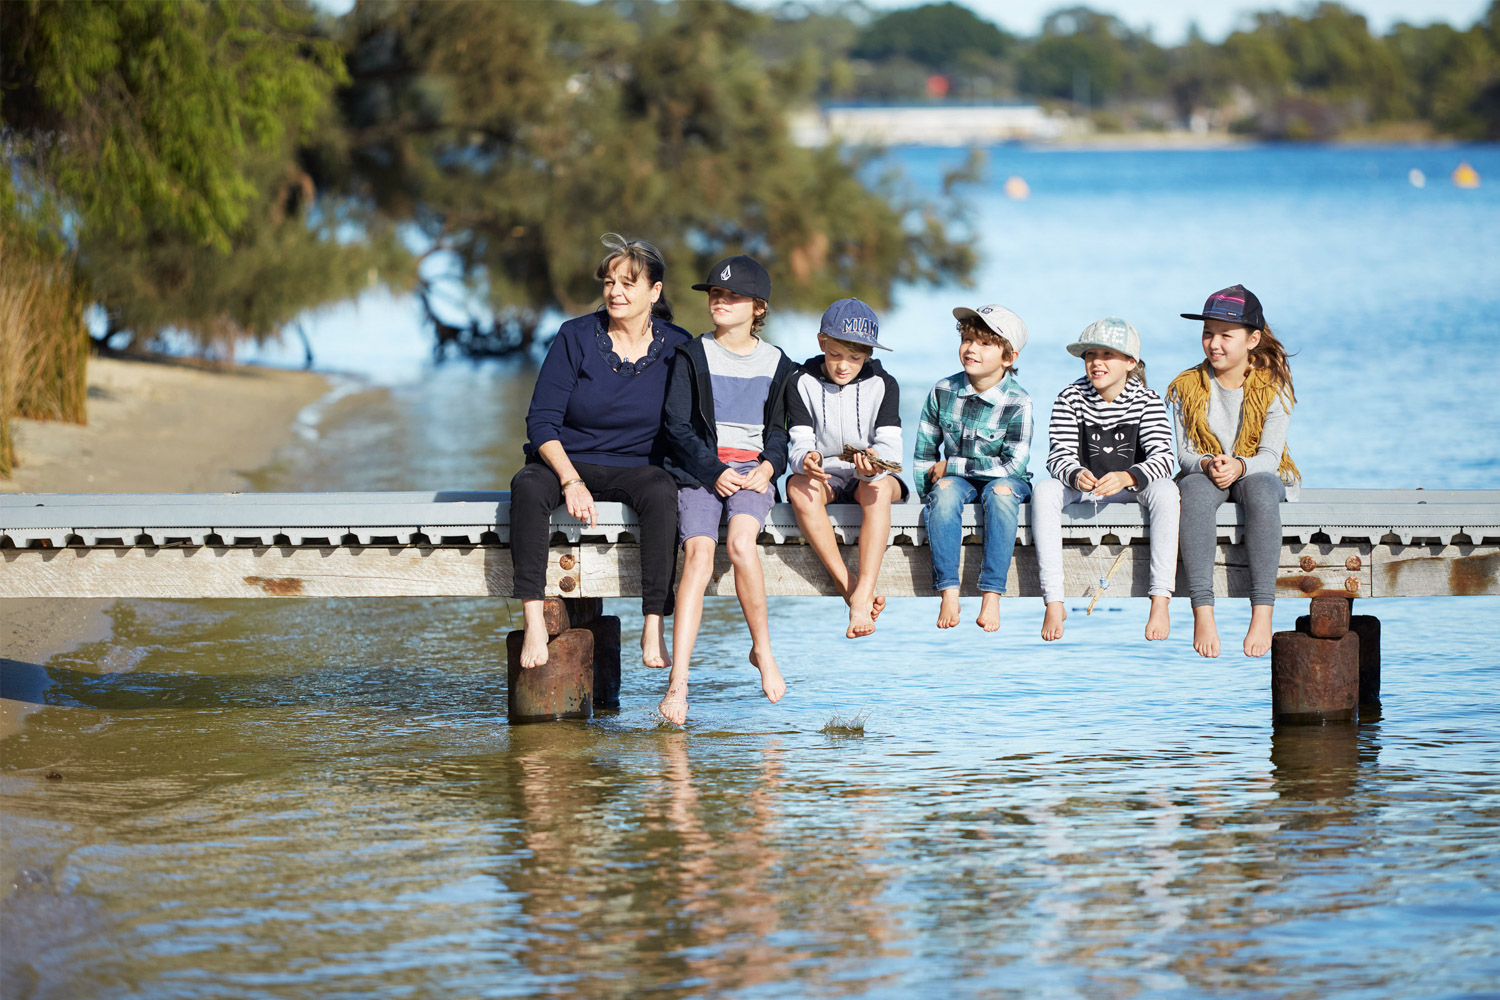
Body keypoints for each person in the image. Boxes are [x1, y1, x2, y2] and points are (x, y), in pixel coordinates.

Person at [510, 234, 690, 671]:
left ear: (655, 291)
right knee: (528, 488)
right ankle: (534, 618)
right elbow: (541, 422)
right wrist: (570, 480)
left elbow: (689, 426)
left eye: (628, 283)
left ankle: (653, 623)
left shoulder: (679, 346)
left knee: (663, 491)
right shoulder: (575, 336)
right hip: (567, 461)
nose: (615, 292)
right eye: (610, 282)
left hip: (636, 468)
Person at [657, 255, 798, 725]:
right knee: (698, 553)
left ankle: (763, 651)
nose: (720, 300)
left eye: (732, 296)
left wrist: (770, 465)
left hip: (753, 473)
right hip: (701, 472)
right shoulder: (692, 355)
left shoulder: (779, 363)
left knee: (740, 544)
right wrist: (711, 469)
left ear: (757, 307)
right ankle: (678, 680)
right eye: (715, 294)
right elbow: (676, 426)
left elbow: (782, 429)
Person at [1166, 284, 1299, 659]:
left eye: (1226, 335)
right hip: (1208, 473)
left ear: (1252, 339)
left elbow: (1270, 456)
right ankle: (1203, 611)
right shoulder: (1186, 387)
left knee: (1259, 490)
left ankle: (1262, 612)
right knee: (1190, 489)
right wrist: (1209, 464)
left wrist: (1239, 464)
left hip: (1256, 470)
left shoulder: (1272, 386)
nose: (1214, 344)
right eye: (1208, 333)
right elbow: (1186, 455)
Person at [1034, 317, 1180, 642]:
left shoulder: (1148, 401)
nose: (1096, 362)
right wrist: (1075, 474)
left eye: (1107, 354)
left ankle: (1160, 600)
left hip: (1131, 489)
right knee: (1044, 491)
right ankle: (1054, 600)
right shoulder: (1070, 398)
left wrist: (1129, 475)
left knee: (1168, 491)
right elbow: (1057, 455)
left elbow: (1164, 459)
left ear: (1130, 362)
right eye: (1090, 355)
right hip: (1085, 490)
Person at [785, 299, 906, 638]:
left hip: (873, 477)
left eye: (855, 357)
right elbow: (799, 441)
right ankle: (849, 588)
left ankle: (864, 590)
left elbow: (891, 447)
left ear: (868, 352)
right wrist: (806, 460)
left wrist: (871, 469)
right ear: (822, 341)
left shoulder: (884, 384)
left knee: (878, 488)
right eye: (836, 353)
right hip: (825, 476)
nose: (843, 366)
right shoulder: (800, 383)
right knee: (797, 487)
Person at [913, 304, 1033, 632]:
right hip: (957, 482)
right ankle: (948, 592)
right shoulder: (943, 391)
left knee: (1002, 493)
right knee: (946, 491)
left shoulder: (1018, 401)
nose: (971, 349)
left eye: (984, 343)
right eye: (967, 339)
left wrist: (953, 465)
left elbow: (1013, 463)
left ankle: (991, 594)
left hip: (1007, 479)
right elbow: (925, 453)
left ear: (1009, 357)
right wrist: (930, 493)